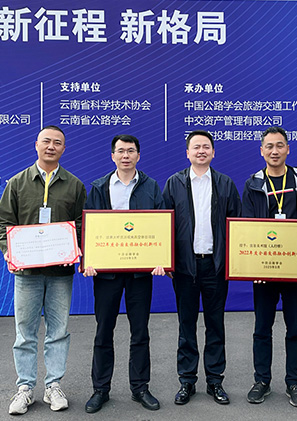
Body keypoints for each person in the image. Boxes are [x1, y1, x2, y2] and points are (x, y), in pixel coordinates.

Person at [0, 125, 87, 415]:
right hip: (27, 274)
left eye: (57, 143)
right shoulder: (18, 183)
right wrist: (10, 251)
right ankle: (24, 388)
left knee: (58, 331)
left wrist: (75, 248)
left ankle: (53, 386)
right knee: (25, 333)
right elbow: (3, 222)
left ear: (63, 149)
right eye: (46, 141)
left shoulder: (74, 185)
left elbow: (83, 225)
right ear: (36, 144)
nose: (51, 146)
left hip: (60, 273)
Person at [242, 126, 297, 408]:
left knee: (296, 327)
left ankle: (294, 383)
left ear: (288, 149)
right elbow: (246, 226)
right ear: (261, 151)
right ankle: (261, 381)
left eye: (280, 145)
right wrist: (253, 268)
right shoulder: (253, 183)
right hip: (264, 269)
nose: (274, 151)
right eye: (269, 146)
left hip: (294, 266)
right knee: (261, 328)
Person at [82, 134, 165, 413]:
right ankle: (100, 389)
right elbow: (89, 226)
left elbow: (161, 226)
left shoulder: (151, 186)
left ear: (138, 155)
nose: (125, 155)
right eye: (120, 151)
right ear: (112, 156)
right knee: (103, 331)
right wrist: (89, 259)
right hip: (107, 273)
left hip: (140, 273)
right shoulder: (99, 187)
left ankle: (140, 388)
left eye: (130, 151)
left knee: (140, 331)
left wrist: (161, 259)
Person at [163, 130, 242, 406]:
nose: (201, 151)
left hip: (215, 266)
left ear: (213, 152)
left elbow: (237, 224)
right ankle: (187, 381)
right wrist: (168, 260)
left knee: (215, 325)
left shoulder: (225, 183)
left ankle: (215, 381)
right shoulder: (174, 183)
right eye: (196, 147)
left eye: (206, 147)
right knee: (186, 325)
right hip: (185, 267)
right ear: (187, 153)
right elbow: (163, 224)